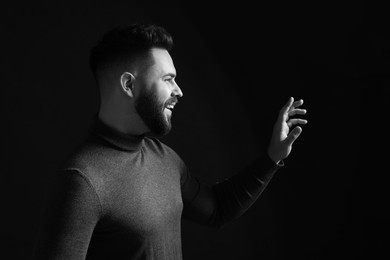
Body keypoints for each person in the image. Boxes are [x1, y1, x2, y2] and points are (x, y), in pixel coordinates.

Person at [33, 23, 307, 260]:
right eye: (168, 79)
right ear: (129, 85)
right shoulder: (82, 181)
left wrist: (272, 157)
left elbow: (217, 209)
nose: (179, 91)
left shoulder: (164, 158)